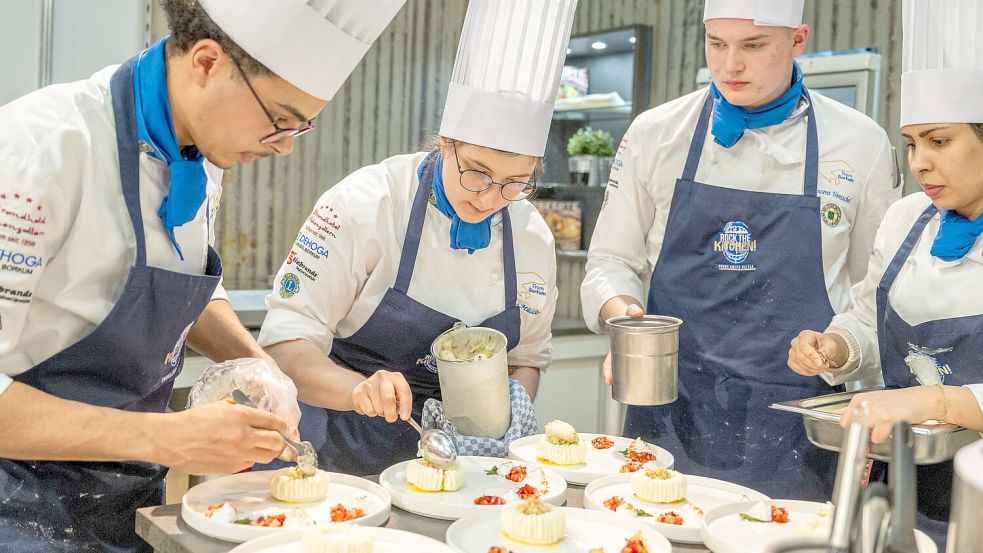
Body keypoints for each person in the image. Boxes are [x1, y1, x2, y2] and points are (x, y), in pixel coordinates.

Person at [0, 0, 405, 550]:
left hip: (129, 496)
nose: (285, 146)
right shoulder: (36, 152)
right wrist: (168, 437)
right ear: (207, 62)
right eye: (279, 119)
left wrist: (262, 369)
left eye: (300, 127)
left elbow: (188, 286)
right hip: (17, 503)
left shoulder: (200, 155)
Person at [580, 0, 900, 501]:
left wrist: (850, 370)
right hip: (669, 407)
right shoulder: (656, 133)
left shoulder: (860, 144)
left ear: (797, 40)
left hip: (798, 423)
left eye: (753, 46)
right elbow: (610, 261)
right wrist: (624, 315)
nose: (730, 65)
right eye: (717, 44)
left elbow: (875, 298)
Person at [258, 0, 577, 476]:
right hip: (335, 456)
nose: (491, 197)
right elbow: (286, 346)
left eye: (516, 183)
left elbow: (525, 361)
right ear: (445, 142)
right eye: (477, 173)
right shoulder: (366, 204)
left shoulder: (531, 236)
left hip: (458, 470)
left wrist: (499, 418)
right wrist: (357, 390)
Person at [787, 0, 983, 547]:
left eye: (939, 141)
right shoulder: (906, 220)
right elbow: (870, 321)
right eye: (913, 144)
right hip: (900, 491)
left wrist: (934, 402)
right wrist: (837, 347)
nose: (919, 162)